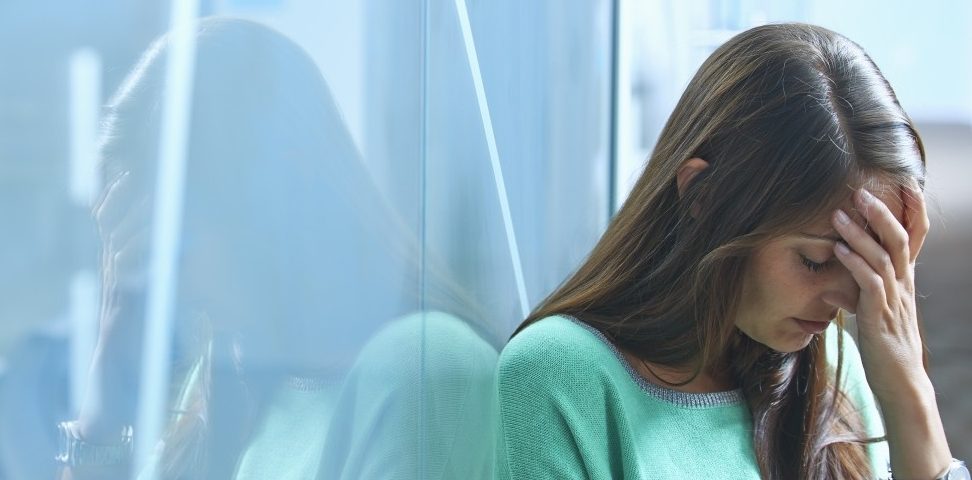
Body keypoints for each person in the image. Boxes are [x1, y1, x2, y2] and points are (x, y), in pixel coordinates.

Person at [495, 23, 965, 480]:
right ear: (702, 194)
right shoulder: (558, 375)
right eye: (816, 261)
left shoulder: (835, 368)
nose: (847, 299)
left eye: (868, 263)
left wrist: (909, 394)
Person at [58, 17, 499, 480]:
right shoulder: (226, 390)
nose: (165, 283)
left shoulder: (420, 368)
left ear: (284, 190)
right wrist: (103, 405)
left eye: (176, 243)